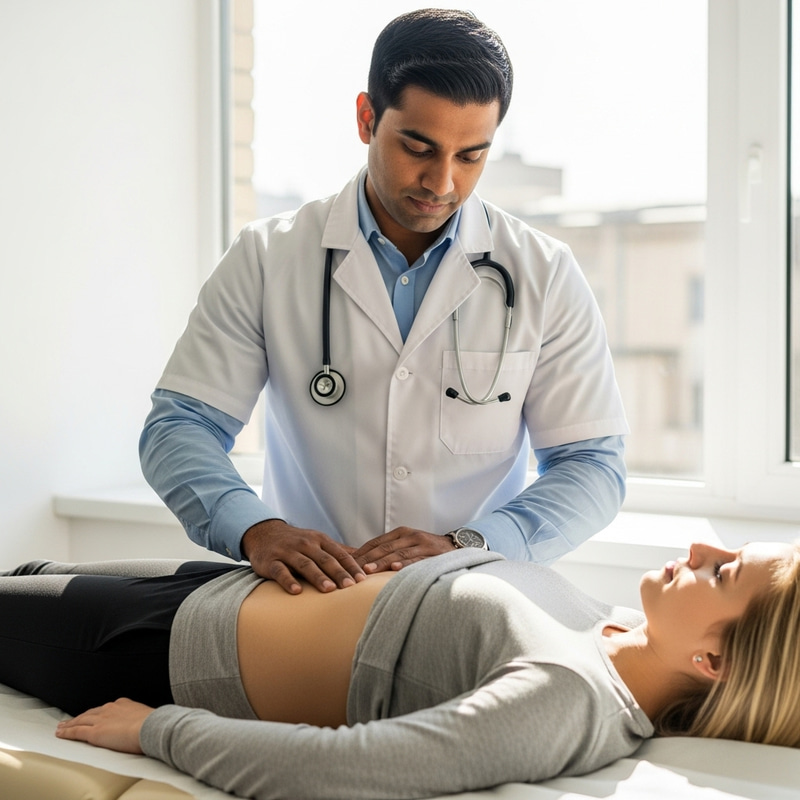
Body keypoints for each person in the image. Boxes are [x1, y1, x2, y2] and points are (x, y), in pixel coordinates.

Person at [140, 8, 630, 595]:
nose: (442, 182)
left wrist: (471, 546)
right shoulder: (268, 257)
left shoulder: (544, 274)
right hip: (310, 604)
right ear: (366, 117)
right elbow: (179, 426)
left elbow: (592, 466)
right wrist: (257, 529)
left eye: (471, 155)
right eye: (418, 147)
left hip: (471, 597)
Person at [0, 541, 798, 799]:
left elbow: (360, 769)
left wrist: (161, 730)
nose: (701, 551)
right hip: (219, 581)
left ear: (714, 662)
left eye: (723, 574)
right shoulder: (614, 627)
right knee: (25, 564)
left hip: (158, 648)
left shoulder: (571, 700)